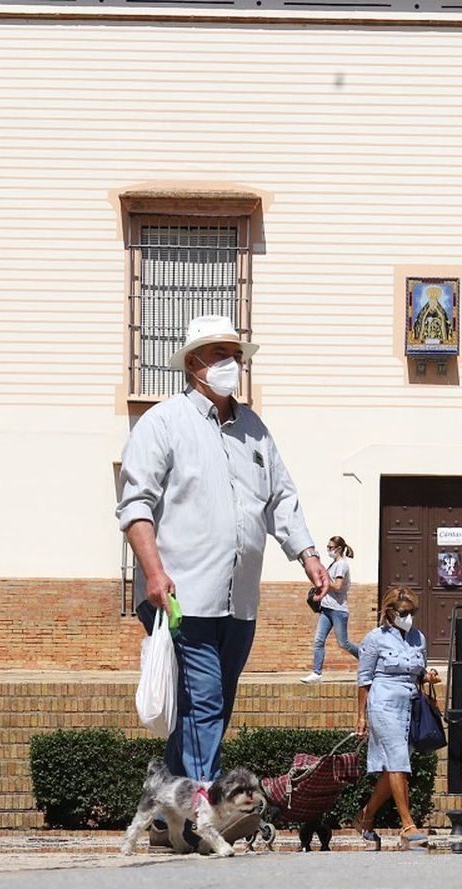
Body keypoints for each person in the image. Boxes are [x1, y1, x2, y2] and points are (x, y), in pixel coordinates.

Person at [117, 314, 330, 783]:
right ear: (193, 364)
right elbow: (135, 506)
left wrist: (310, 557)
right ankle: (202, 810)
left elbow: (281, 498)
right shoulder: (162, 423)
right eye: (219, 355)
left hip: (239, 601)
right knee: (206, 699)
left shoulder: (254, 429)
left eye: (235, 355)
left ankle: (164, 815)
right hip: (181, 595)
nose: (231, 363)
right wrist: (153, 573)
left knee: (207, 707)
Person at [352, 587, 439, 851]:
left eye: (412, 612)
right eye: (404, 612)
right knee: (398, 760)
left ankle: (365, 816)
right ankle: (407, 825)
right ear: (389, 612)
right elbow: (364, 679)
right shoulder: (374, 639)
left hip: (409, 705)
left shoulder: (418, 638)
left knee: (393, 766)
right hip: (383, 704)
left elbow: (418, 671)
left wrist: (429, 677)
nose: (409, 617)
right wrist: (361, 716)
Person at [301, 536, 359, 684]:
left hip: (338, 610)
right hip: (327, 609)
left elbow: (338, 586)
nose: (328, 550)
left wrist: (325, 577)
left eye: (331, 547)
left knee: (343, 643)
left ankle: (367, 658)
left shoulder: (342, 565)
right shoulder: (333, 565)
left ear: (339, 549)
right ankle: (316, 672)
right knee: (319, 640)